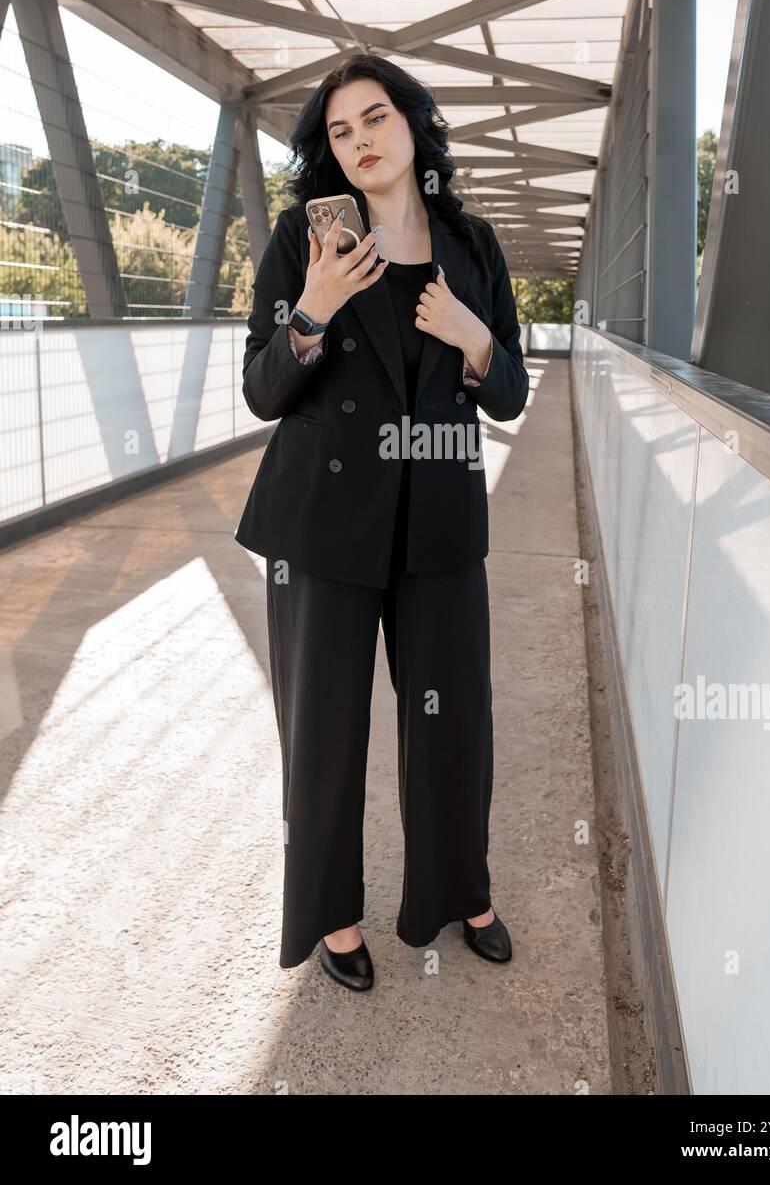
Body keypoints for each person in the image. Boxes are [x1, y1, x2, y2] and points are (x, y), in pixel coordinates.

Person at [235, 53, 530, 990]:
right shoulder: (303, 240)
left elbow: (512, 392)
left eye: (374, 118)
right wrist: (314, 310)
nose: (360, 140)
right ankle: (332, 916)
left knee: (454, 722)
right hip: (323, 523)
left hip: (438, 517)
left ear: (412, 121)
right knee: (323, 730)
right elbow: (262, 390)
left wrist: (472, 336)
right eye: (339, 131)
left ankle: (459, 890)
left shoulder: (472, 246)